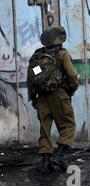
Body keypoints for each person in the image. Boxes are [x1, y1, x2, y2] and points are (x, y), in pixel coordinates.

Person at [27, 26, 79, 173]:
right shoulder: (62, 54)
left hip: (42, 96)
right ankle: (60, 155)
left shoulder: (37, 55)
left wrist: (33, 97)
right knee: (68, 125)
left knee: (45, 129)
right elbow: (72, 75)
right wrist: (71, 89)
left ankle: (45, 162)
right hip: (59, 94)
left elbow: (30, 78)